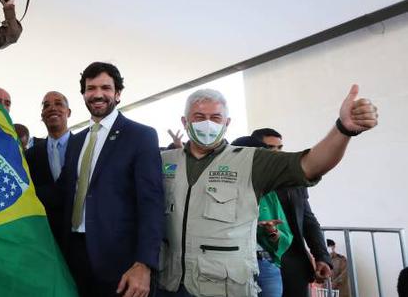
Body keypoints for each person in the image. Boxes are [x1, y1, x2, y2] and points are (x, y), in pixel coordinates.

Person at [158, 88, 378, 297]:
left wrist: (343, 129)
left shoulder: (250, 160)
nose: (207, 124)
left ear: (227, 123)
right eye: (199, 116)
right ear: (185, 122)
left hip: (224, 287)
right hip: (169, 284)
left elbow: (312, 164)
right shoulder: (163, 162)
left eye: (215, 118)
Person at [58, 62, 164, 297]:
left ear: (117, 94)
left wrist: (144, 264)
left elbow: (152, 204)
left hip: (121, 264)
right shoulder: (76, 141)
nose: (97, 94)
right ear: (84, 94)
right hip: (73, 256)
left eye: (105, 88)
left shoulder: (141, 136)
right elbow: (61, 194)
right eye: (90, 88)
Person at [252, 128, 333, 297]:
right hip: (260, 263)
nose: (277, 152)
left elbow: (308, 220)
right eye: (270, 147)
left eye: (280, 147)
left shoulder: (294, 179)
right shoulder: (247, 179)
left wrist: (322, 257)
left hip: (294, 264)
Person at [231, 136, 293, 297]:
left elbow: (285, 235)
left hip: (264, 265)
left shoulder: (269, 192)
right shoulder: (218, 187)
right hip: (229, 267)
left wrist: (273, 233)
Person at [25, 91, 72, 243]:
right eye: (46, 106)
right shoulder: (31, 155)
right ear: (42, 115)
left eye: (58, 104)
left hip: (82, 236)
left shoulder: (85, 146)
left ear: (68, 112)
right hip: (47, 236)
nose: (52, 108)